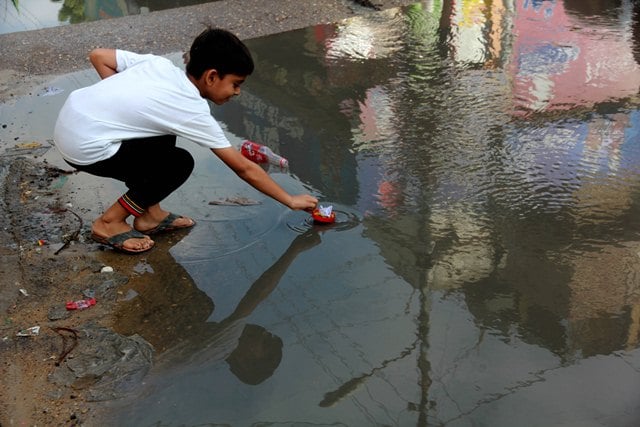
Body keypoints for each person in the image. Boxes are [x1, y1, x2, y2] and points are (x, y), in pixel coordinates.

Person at [53, 27, 318, 254]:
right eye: (236, 84)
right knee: (178, 164)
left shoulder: (159, 65)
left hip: (71, 124)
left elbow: (99, 56)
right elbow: (244, 168)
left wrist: (118, 99)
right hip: (85, 147)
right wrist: (291, 200)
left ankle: (150, 216)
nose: (237, 92)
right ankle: (109, 222)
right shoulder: (190, 108)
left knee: (162, 136)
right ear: (211, 76)